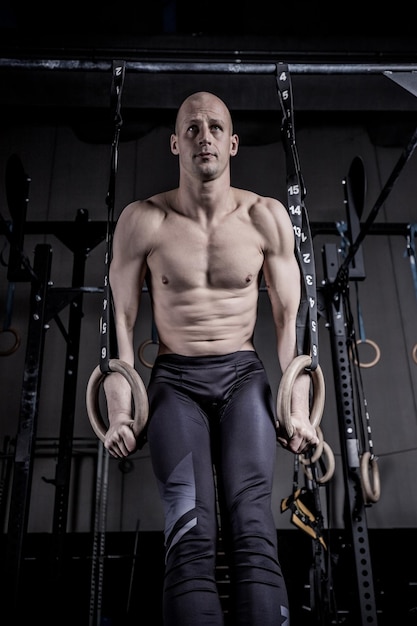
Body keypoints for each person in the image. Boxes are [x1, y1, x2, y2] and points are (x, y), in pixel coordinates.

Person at [103, 91, 320, 626]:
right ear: (176, 142)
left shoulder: (266, 217)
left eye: (216, 128)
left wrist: (296, 412)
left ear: (233, 143)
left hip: (244, 378)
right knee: (190, 535)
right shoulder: (142, 221)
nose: (205, 137)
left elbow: (292, 329)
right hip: (174, 383)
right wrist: (120, 414)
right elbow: (121, 337)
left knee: (253, 529)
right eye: (193, 128)